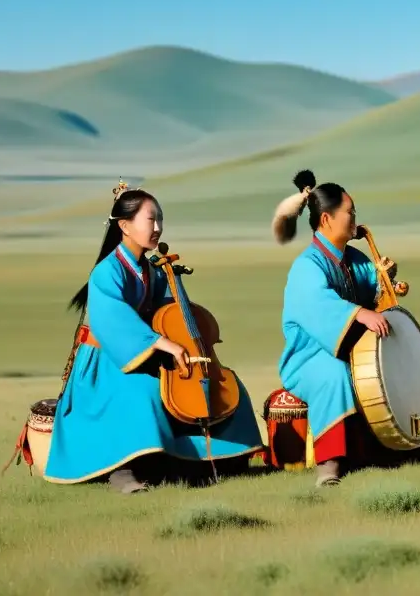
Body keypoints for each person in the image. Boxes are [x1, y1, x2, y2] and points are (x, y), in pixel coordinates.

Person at [44, 183, 264, 493]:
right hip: (107, 362)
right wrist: (160, 343)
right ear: (124, 226)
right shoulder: (106, 272)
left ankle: (220, 459)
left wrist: (179, 327)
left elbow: (168, 315)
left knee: (222, 385)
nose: (158, 227)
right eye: (151, 219)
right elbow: (113, 321)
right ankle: (124, 471)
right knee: (144, 391)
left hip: (145, 353)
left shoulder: (155, 271)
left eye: (160, 219)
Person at [272, 169, 397, 487]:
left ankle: (385, 447)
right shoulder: (307, 265)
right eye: (350, 212)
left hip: (350, 349)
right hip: (309, 358)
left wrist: (386, 282)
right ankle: (329, 464)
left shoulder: (354, 258)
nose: (355, 219)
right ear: (326, 219)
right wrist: (359, 313)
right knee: (335, 374)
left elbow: (376, 297)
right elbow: (319, 304)